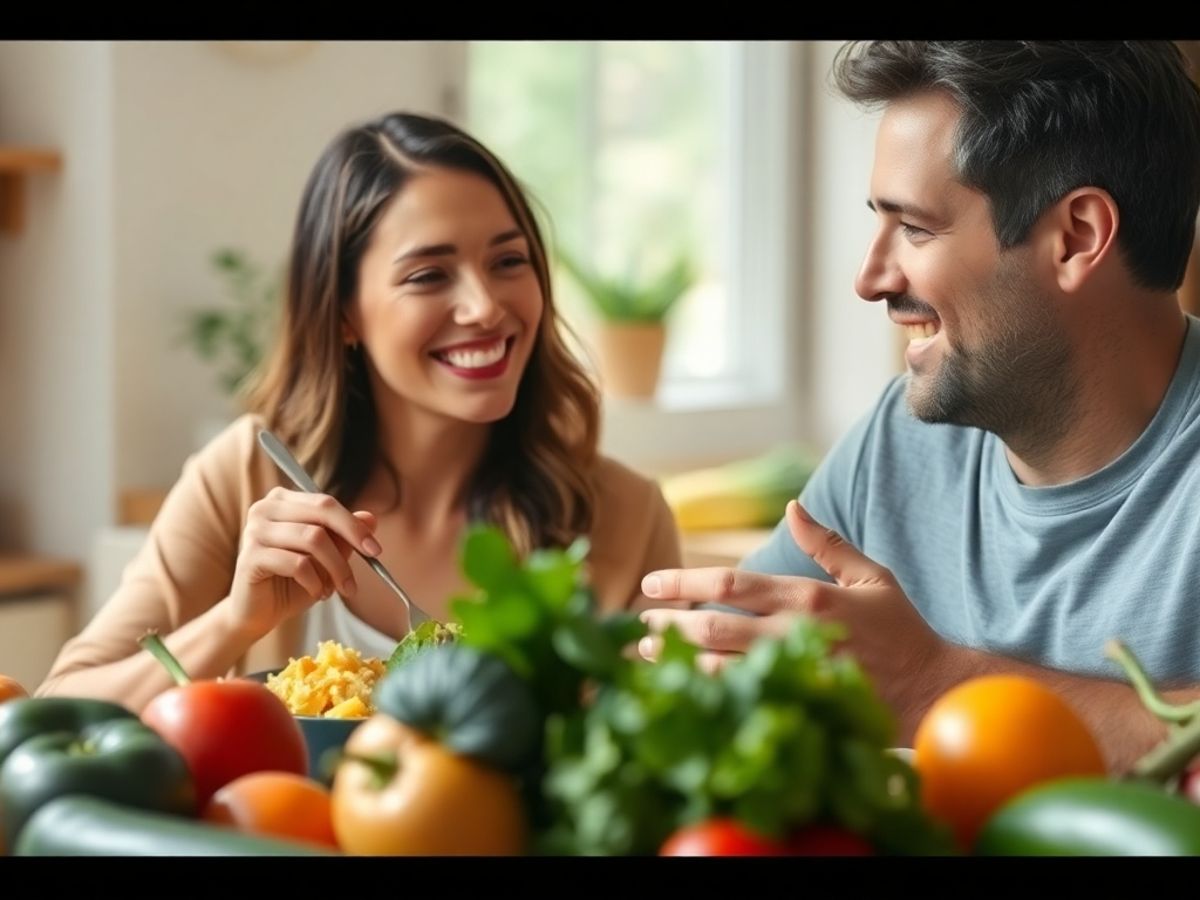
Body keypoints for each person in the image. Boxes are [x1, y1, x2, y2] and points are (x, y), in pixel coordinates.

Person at [636, 41, 1200, 773]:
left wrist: (934, 682)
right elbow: (709, 663)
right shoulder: (901, 438)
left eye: (915, 227)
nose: (870, 279)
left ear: (1077, 237)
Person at [38, 111, 681, 711]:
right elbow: (61, 706)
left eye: (509, 261)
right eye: (429, 275)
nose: (485, 306)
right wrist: (237, 622)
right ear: (344, 312)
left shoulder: (626, 516)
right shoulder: (244, 478)